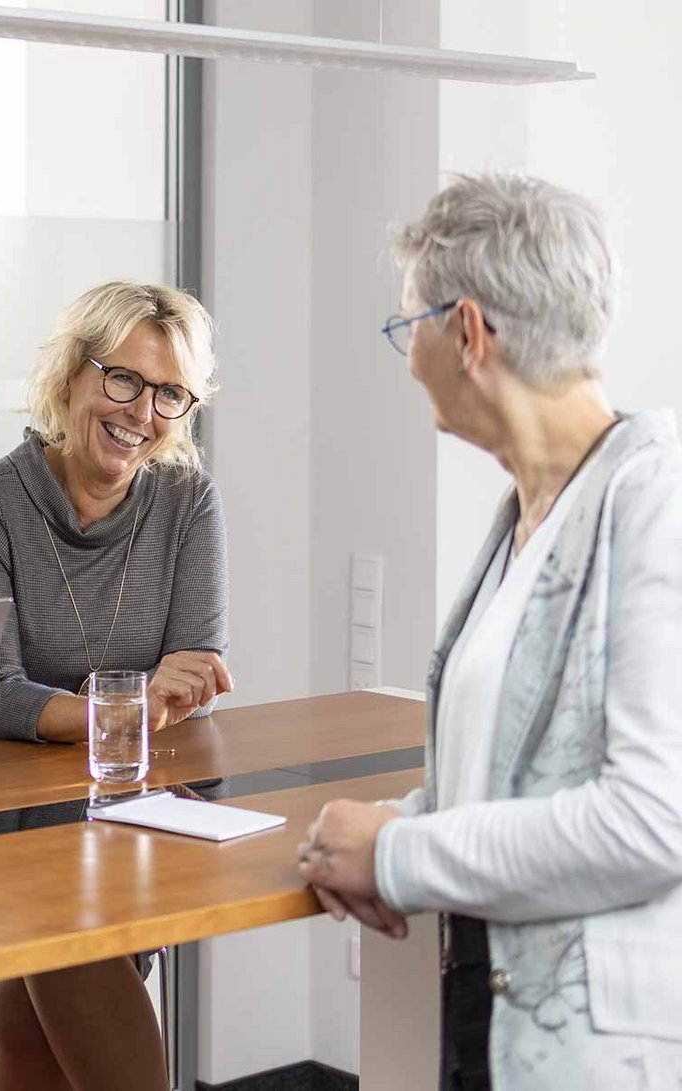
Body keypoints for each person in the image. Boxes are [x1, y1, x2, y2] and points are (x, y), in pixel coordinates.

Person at [297, 175, 682, 1089]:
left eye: (407, 329)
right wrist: (383, 829)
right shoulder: (526, 512)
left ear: (467, 332)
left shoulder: (653, 499)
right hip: (488, 1006)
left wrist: (395, 854)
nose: (406, 359)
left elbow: (653, 822)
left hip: (596, 1050)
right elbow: (508, 776)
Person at [0, 281, 232, 1091]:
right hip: (19, 818)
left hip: (138, 811)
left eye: (171, 392)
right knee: (51, 946)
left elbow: (198, 668)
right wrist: (137, 703)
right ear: (71, 375)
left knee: (36, 1009)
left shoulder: (187, 499)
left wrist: (134, 703)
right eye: (124, 379)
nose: (142, 410)